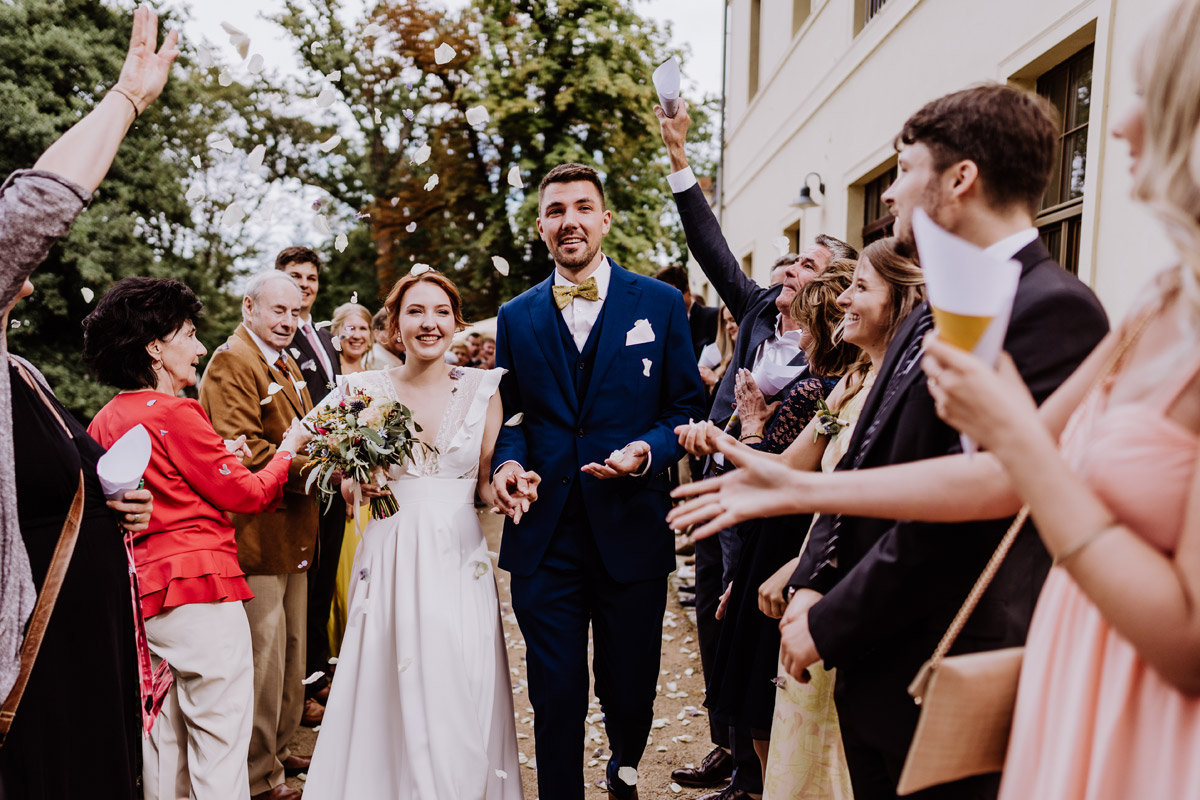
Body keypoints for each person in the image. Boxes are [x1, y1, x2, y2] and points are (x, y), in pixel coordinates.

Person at [671, 84, 1111, 800]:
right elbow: (871, 456)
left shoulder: (1051, 310)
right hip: (875, 672)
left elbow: (970, 514)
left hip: (948, 667)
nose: (889, 196)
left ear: (960, 178)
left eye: (904, 170)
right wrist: (813, 581)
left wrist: (833, 617)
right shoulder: (927, 311)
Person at [915, 4, 1200, 795]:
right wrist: (795, 488)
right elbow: (1005, 472)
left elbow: (1189, 640)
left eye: (1146, 90)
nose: (1117, 124)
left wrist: (1015, 436)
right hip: (1072, 681)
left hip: (1152, 728)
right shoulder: (1160, 299)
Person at [655, 95, 856, 800]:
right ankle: (728, 745)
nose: (788, 270)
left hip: (778, 507)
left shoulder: (837, 363)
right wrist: (680, 160)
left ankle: (753, 769)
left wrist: (747, 425)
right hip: (723, 488)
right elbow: (708, 243)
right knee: (718, 619)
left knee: (750, 632)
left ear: (834, 287)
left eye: (806, 264)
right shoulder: (758, 310)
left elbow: (804, 455)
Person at [490, 162, 706, 800]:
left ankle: (624, 771)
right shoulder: (516, 314)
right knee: (555, 691)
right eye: (556, 211)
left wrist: (646, 452)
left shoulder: (661, 306)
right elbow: (512, 417)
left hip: (630, 522)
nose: (570, 221)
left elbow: (684, 410)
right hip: (545, 533)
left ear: (605, 219)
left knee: (630, 681)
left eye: (582, 207)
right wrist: (506, 464)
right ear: (541, 227)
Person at [0, 8, 171, 798]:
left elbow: (68, 466)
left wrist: (115, 503)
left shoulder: (22, 369)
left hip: (84, 660)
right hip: (31, 674)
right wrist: (126, 99)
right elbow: (31, 208)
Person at [83, 277, 312, 800]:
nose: (201, 345)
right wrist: (287, 450)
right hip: (202, 593)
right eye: (189, 333)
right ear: (156, 348)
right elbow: (248, 493)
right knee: (220, 735)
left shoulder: (105, 419)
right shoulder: (178, 414)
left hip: (145, 596)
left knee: (164, 741)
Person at [303, 269, 524, 799]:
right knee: (386, 681)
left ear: (456, 322)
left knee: (458, 678)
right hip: (389, 552)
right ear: (394, 327)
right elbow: (310, 452)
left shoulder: (482, 387)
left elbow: (489, 481)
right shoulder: (359, 391)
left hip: (457, 556)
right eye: (416, 312)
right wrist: (350, 474)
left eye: (441, 312)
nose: (430, 323)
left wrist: (514, 484)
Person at [685, 259, 858, 788]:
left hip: (796, 542)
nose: (798, 341)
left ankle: (763, 784)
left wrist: (741, 431)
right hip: (787, 542)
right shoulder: (840, 387)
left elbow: (780, 474)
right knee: (771, 697)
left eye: (805, 325)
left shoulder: (815, 392)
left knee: (767, 698)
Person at [199, 271, 318, 800]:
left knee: (293, 651)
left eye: (296, 313)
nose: (289, 322)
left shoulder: (286, 362)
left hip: (294, 531)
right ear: (249, 307)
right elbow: (242, 449)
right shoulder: (231, 362)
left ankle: (278, 744)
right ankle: (254, 775)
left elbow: (309, 429)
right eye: (278, 311)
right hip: (256, 535)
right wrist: (324, 470)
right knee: (262, 660)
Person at [275, 246, 343, 718]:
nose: (305, 284)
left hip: (336, 474)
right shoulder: (281, 340)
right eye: (295, 276)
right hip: (302, 475)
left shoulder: (323, 336)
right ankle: (301, 686)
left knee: (324, 575)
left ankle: (315, 671)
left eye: (311, 276)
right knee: (307, 579)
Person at [656, 264, 719, 358]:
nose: (667, 301)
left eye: (671, 295)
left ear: (687, 289)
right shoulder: (665, 324)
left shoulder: (713, 316)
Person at [697, 304, 738, 394]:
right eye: (726, 322)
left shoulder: (745, 356)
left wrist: (715, 381)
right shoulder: (722, 356)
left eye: (732, 320)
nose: (728, 326)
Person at [330, 302, 374, 374]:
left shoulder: (374, 373)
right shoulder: (330, 373)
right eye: (350, 328)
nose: (357, 336)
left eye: (363, 328)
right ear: (335, 332)